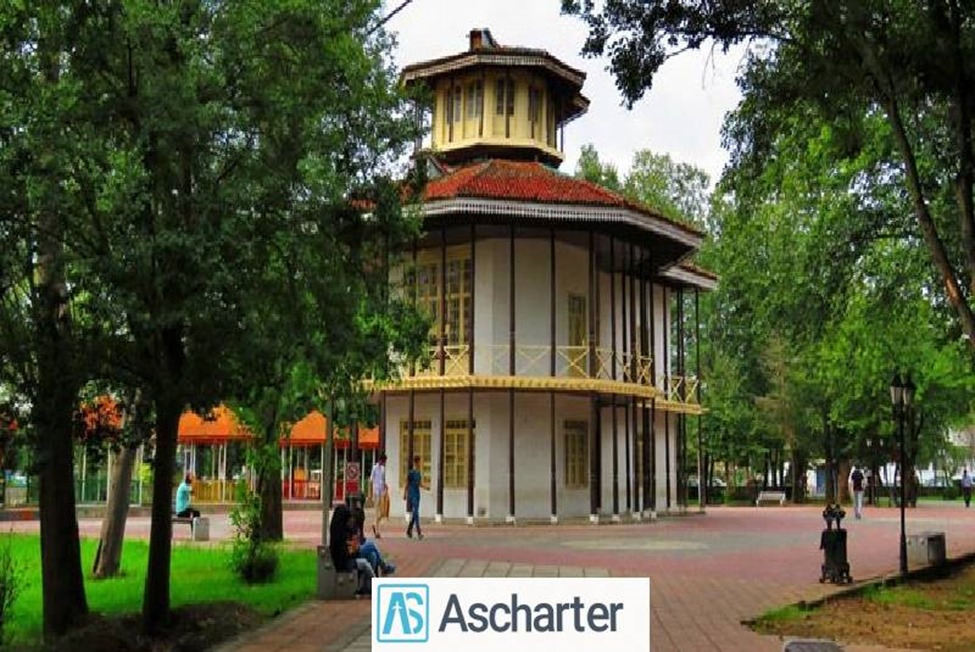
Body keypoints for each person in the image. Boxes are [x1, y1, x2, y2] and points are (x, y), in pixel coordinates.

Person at [328, 504, 375, 595]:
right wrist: (354, 550)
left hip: (348, 559)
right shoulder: (339, 535)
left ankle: (365, 586)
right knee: (365, 563)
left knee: (372, 556)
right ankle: (375, 584)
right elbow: (344, 554)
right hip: (344, 563)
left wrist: (354, 548)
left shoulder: (342, 530)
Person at [351, 506, 396, 575]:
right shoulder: (352, 529)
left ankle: (370, 579)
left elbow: (361, 540)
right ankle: (384, 567)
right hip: (354, 553)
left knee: (373, 555)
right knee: (371, 545)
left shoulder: (358, 528)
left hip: (357, 549)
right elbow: (355, 545)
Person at [370, 453, 389, 539]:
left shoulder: (383, 469)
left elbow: (383, 480)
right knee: (377, 511)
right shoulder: (374, 468)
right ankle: (377, 531)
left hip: (382, 492)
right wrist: (370, 494)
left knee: (383, 512)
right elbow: (371, 481)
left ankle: (374, 524)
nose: (385, 463)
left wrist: (385, 486)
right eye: (384, 461)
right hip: (376, 492)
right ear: (381, 460)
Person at [405, 455, 424, 540]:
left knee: (415, 514)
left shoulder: (418, 473)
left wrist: (425, 487)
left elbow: (419, 484)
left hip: (417, 494)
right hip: (412, 495)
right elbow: (407, 483)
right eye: (419, 462)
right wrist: (405, 493)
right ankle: (419, 532)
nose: (420, 463)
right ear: (416, 462)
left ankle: (409, 531)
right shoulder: (411, 472)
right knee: (416, 512)